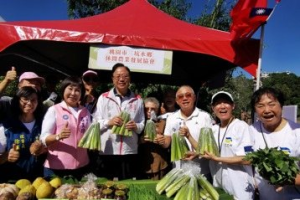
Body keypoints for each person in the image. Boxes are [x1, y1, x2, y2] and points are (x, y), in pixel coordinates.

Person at [185, 91, 255, 199]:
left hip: (240, 188)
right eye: (218, 103)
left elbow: (248, 159)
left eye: (226, 102)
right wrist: (189, 138)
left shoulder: (241, 127)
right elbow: (203, 150)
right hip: (218, 186)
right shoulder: (213, 129)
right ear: (213, 108)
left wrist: (217, 159)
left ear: (233, 106)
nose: (222, 106)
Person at [93, 63, 145, 180]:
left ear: (130, 79)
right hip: (108, 150)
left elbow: (142, 124)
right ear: (112, 79)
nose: (121, 79)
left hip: (129, 151)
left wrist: (135, 126)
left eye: (125, 76)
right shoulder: (104, 97)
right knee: (108, 185)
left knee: (127, 184)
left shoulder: (138, 99)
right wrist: (108, 122)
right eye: (118, 76)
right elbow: (95, 123)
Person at [249, 87, 300, 200]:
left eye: (271, 104)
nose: (266, 110)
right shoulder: (251, 130)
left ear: (281, 106)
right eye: (260, 106)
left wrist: (286, 179)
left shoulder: (297, 132)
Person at [40, 76, 91, 181]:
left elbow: (90, 133)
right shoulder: (54, 110)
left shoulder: (85, 112)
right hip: (57, 168)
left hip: (81, 166)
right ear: (63, 90)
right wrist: (58, 136)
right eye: (70, 89)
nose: (73, 93)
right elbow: (43, 138)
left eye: (77, 90)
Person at [162, 85, 213, 179]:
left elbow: (210, 148)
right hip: (179, 171)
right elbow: (166, 144)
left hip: (202, 172)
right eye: (180, 96)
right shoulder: (171, 118)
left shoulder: (205, 117)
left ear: (194, 98)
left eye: (188, 95)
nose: (184, 98)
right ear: (177, 101)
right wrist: (160, 140)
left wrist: (198, 153)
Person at [0, 86, 45, 182]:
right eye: (25, 99)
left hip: (39, 181)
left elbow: (53, 149)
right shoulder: (6, 126)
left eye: (33, 100)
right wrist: (7, 156)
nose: (29, 103)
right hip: (12, 181)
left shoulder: (44, 124)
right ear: (17, 101)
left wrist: (43, 150)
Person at [138, 97, 169, 180]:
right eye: (146, 109)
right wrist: (141, 140)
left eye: (153, 109)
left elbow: (168, 141)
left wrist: (162, 140)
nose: (149, 111)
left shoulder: (163, 122)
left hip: (159, 164)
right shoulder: (139, 123)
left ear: (158, 110)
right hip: (141, 163)